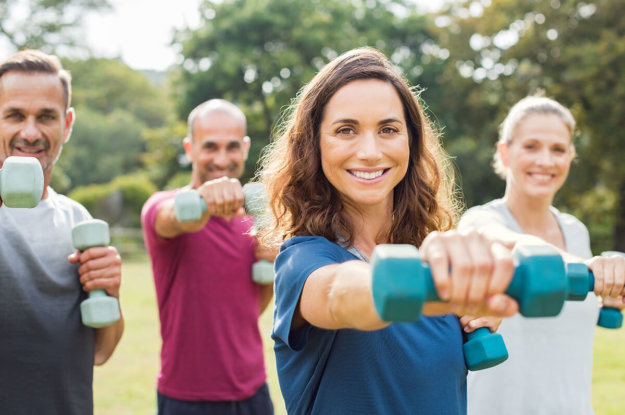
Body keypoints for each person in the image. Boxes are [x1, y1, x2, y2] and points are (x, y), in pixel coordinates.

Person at [256, 47, 523, 415]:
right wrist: (438, 288)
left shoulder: (433, 265)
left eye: (388, 129)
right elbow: (341, 294)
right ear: (314, 145)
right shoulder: (303, 261)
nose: (369, 151)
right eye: (346, 130)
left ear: (410, 143)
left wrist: (473, 299)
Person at [457, 95, 625, 414]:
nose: (545, 161)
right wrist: (595, 268)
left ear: (570, 157)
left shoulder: (576, 232)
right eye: (531, 146)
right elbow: (514, 245)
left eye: (558, 149)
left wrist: (609, 287)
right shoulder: (480, 222)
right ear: (505, 153)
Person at [0, 49, 124, 414]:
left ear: (67, 124)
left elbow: (101, 351)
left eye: (46, 117)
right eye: (15, 115)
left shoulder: (78, 219)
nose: (30, 132)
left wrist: (112, 294)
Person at [141, 99, 275, 414]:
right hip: (187, 399)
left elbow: (248, 309)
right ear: (189, 149)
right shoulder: (161, 206)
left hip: (254, 391)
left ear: (245, 148)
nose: (222, 159)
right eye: (210, 147)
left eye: (231, 147)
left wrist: (268, 262)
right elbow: (175, 217)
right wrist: (203, 199)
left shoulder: (254, 223)